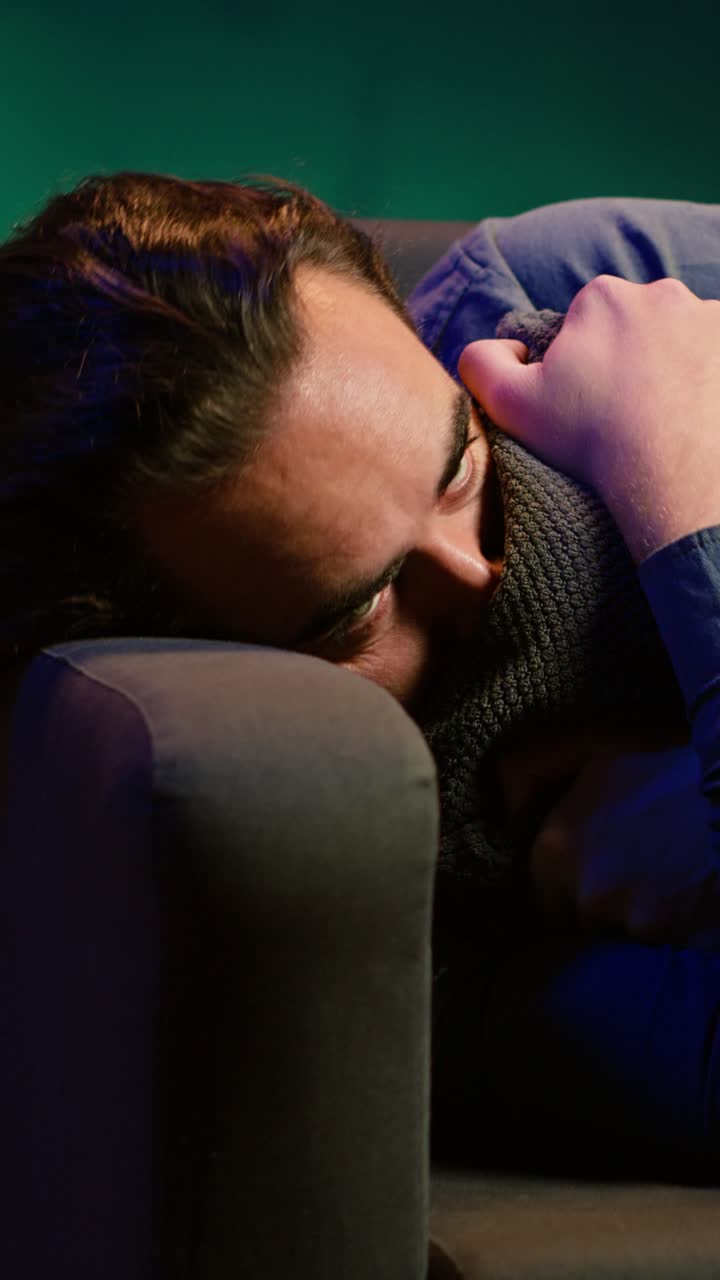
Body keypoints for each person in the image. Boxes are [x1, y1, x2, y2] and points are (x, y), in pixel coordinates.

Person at [2, 173, 720, 1176]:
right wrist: (693, 517)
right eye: (363, 605)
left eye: (458, 464)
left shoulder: (604, 295)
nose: (482, 567)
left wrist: (676, 461)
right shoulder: (397, 923)